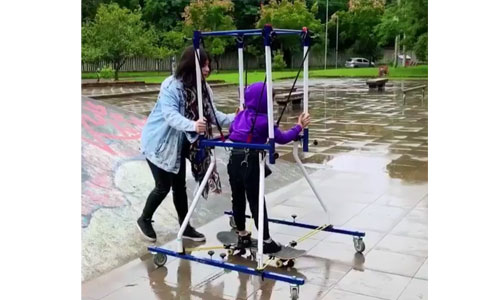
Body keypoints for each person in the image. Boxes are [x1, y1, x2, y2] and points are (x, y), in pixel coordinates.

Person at [137, 46, 234, 242]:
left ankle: (185, 226)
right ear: (191, 65)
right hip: (159, 144)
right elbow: (170, 115)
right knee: (163, 186)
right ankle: (144, 219)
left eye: (208, 65)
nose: (207, 69)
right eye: (203, 65)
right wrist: (193, 125)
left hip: (180, 145)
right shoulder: (171, 86)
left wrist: (239, 118)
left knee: (179, 186)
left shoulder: (204, 89)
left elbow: (214, 115)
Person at [227, 82, 311, 253]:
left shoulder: (240, 115)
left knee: (238, 198)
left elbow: (232, 131)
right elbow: (282, 138)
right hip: (250, 162)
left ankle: (242, 235)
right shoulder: (265, 121)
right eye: (270, 100)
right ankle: (266, 240)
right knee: (257, 201)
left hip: (233, 161)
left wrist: (239, 116)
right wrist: (299, 126)